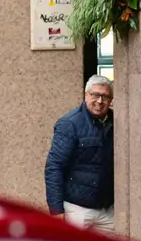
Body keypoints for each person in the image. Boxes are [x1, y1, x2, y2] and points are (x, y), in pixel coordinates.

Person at [45, 74, 115, 232]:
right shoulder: (70, 124)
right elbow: (54, 167)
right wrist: (56, 211)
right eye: (95, 95)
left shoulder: (116, 122)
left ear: (111, 100)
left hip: (107, 210)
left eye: (105, 96)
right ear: (86, 95)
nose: (99, 101)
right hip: (76, 210)